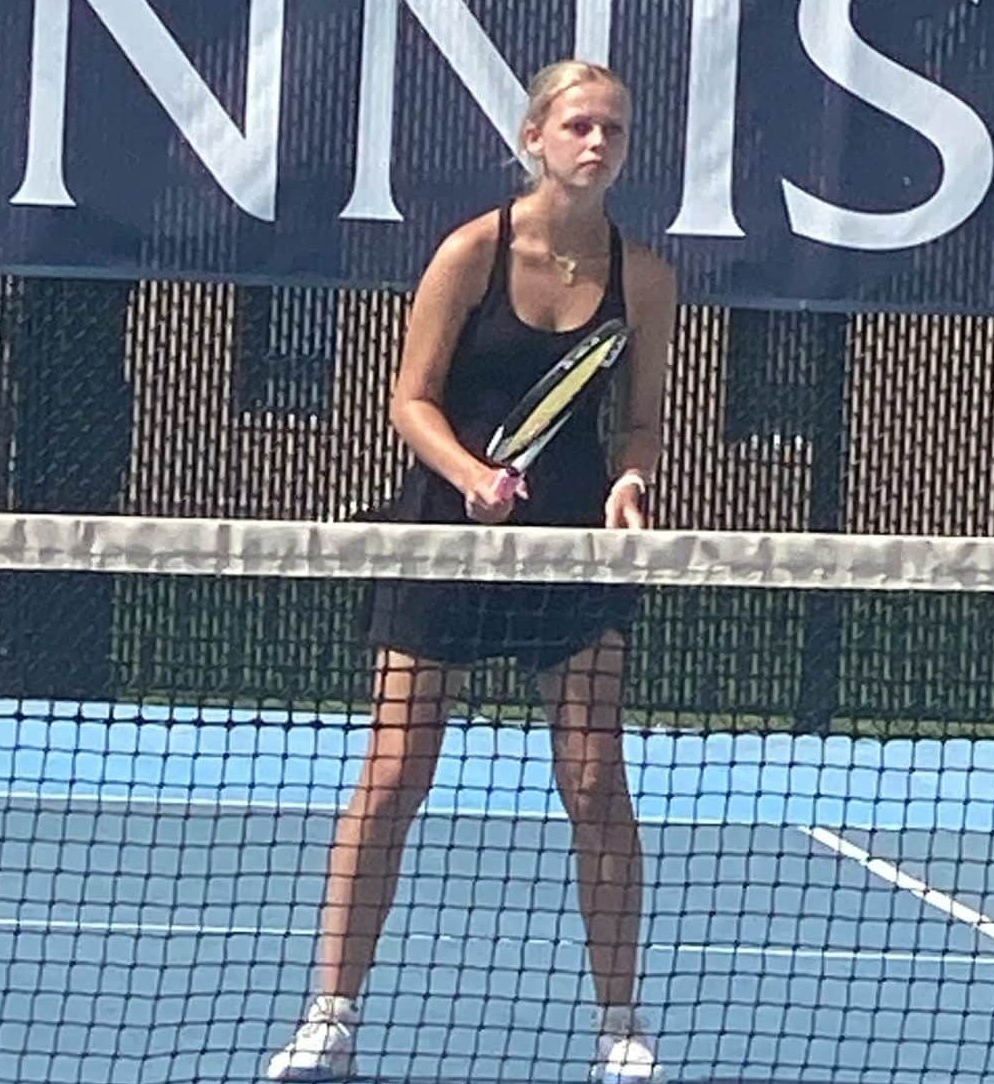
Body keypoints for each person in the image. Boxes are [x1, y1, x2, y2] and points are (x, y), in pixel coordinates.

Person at [264, 59, 678, 1084]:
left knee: (595, 780)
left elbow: (639, 421)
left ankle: (621, 1027)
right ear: (535, 137)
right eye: (579, 126)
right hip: (446, 536)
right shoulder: (471, 254)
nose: (598, 143)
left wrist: (630, 482)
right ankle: (331, 1016)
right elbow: (411, 399)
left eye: (615, 130)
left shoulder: (644, 277)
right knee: (394, 772)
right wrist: (471, 478)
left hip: (572, 545)